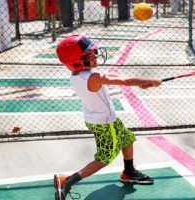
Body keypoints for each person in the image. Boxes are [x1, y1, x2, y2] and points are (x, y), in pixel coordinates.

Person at [54, 34, 162, 200]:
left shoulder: (77, 76)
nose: (94, 56)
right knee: (105, 158)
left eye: (92, 53)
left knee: (127, 139)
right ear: (76, 61)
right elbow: (125, 81)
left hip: (102, 120)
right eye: (88, 56)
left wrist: (141, 83)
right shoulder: (93, 77)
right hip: (104, 123)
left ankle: (129, 172)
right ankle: (67, 181)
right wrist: (151, 80)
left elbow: (120, 81)